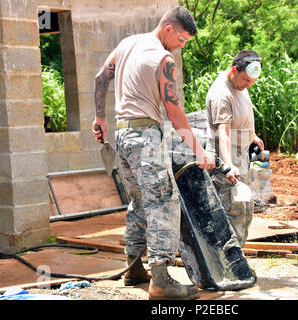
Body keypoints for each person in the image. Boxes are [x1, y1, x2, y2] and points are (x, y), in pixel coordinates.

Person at [92, 6, 215, 300]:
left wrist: (100, 119)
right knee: (164, 201)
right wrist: (199, 151)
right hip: (146, 136)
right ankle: (160, 279)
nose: (182, 46)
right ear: (169, 29)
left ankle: (134, 267)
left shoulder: (127, 44)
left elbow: (100, 78)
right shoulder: (164, 59)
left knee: (139, 201)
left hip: (122, 136)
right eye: (182, 39)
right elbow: (174, 112)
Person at [206, 50, 265, 247]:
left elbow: (238, 118)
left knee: (245, 210)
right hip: (227, 159)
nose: (249, 84)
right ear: (234, 70)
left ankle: (236, 261)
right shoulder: (221, 94)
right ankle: (230, 265)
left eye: (252, 81)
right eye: (246, 80)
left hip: (241, 156)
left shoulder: (240, 84)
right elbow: (223, 132)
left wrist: (251, 135)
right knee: (234, 213)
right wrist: (228, 166)